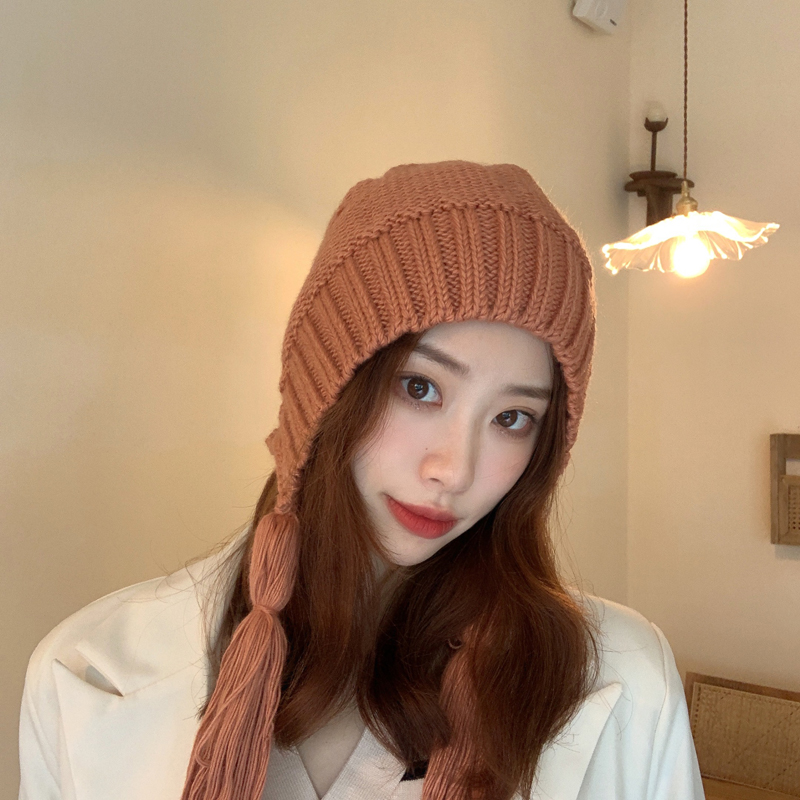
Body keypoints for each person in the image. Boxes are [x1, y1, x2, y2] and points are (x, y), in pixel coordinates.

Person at [18, 160, 705, 800]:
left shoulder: (629, 678)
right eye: (420, 387)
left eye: (512, 418)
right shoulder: (86, 667)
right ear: (325, 389)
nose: (454, 469)